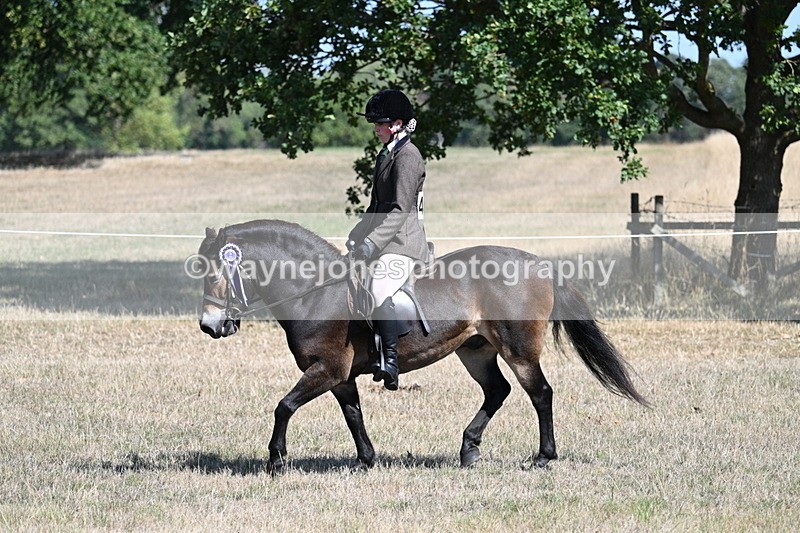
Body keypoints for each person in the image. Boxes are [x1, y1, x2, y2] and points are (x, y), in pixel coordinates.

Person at [347, 89, 429, 391]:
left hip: (402, 243)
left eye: (380, 124)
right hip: (383, 239)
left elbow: (398, 210)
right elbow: (376, 206)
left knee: (379, 287)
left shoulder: (408, 156)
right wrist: (359, 233)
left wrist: (372, 243)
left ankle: (391, 361)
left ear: (396, 123)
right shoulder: (387, 154)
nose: (376, 129)